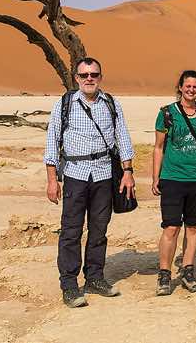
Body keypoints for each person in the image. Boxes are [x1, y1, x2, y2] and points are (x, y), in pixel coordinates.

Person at [44, 57, 135, 308]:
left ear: (100, 77)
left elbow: (122, 137)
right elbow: (52, 141)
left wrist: (128, 171)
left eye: (94, 74)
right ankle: (70, 285)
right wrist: (53, 179)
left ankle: (94, 277)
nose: (89, 79)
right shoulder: (64, 104)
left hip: (105, 174)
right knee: (71, 231)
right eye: (84, 75)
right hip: (75, 173)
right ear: (76, 78)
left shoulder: (111, 103)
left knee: (99, 229)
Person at [151, 70, 196, 296]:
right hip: (172, 178)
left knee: (193, 225)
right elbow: (159, 147)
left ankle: (188, 271)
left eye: (195, 87)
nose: (191, 90)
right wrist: (155, 177)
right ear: (180, 87)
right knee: (171, 227)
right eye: (187, 86)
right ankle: (164, 274)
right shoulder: (167, 113)